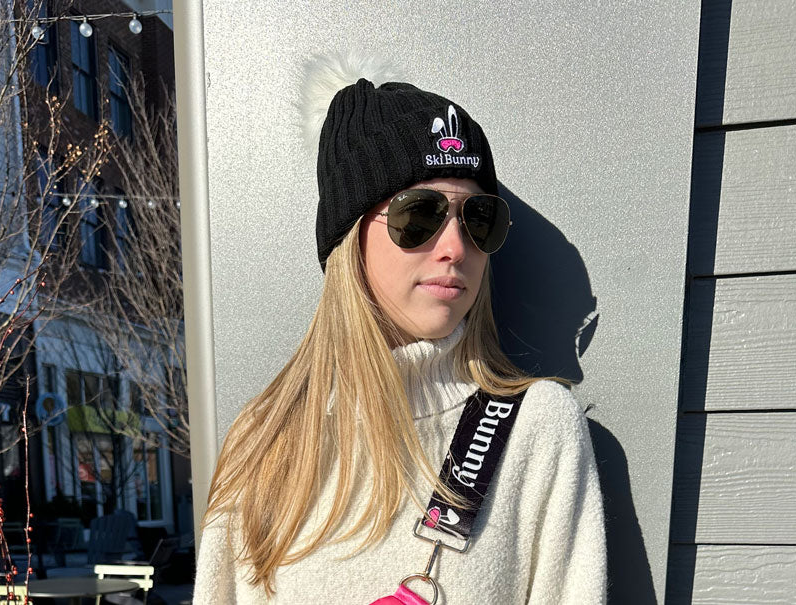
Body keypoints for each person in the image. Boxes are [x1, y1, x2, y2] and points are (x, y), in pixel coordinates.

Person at [193, 57, 607, 604]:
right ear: (350, 239)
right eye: (420, 214)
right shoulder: (265, 441)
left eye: (479, 218)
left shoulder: (538, 428)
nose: (456, 248)